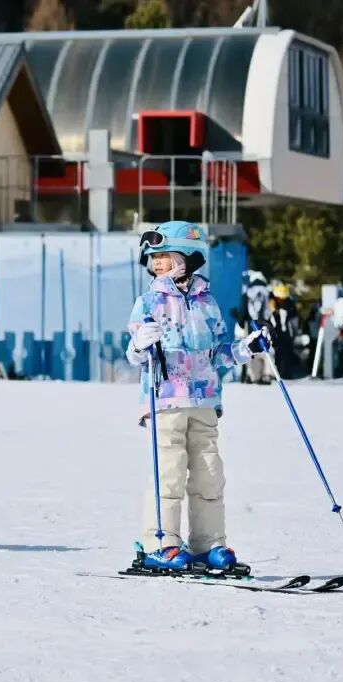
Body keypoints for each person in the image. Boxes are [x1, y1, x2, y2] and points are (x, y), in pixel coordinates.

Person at [125, 221, 269, 572]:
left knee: (209, 474)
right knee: (169, 475)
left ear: (189, 257)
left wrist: (245, 349)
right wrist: (139, 343)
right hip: (166, 401)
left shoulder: (208, 303)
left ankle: (209, 544)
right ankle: (161, 542)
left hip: (204, 402)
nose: (157, 262)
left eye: (164, 255)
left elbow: (219, 353)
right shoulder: (148, 302)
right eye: (153, 257)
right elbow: (135, 355)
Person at [238, 270, 272, 384]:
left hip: (251, 325)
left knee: (251, 349)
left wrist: (241, 322)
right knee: (266, 348)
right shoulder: (267, 293)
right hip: (265, 325)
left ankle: (252, 375)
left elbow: (243, 312)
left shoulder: (247, 293)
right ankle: (266, 374)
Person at [268, 281, 301, 378]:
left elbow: (294, 321)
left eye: (283, 298)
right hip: (275, 335)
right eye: (279, 298)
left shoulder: (290, 306)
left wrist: (294, 333)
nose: (281, 300)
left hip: (286, 335)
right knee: (277, 354)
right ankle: (276, 373)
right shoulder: (271, 304)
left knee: (287, 354)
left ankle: (286, 373)